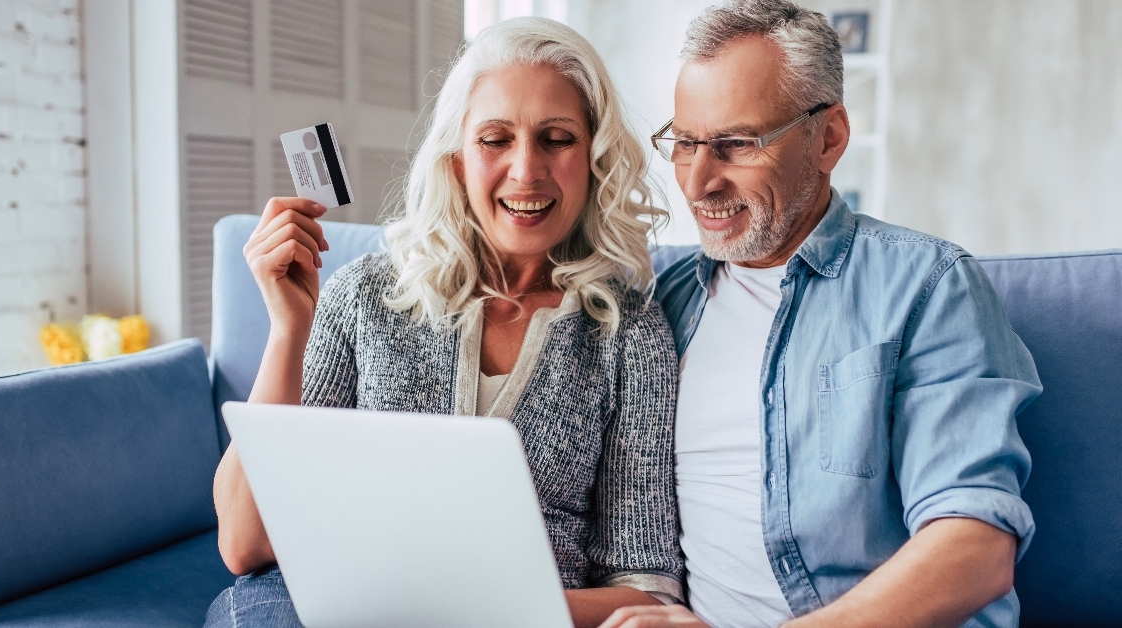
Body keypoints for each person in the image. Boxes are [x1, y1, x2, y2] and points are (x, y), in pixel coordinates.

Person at [206, 17, 684, 628]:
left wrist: (482, 611)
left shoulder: (628, 333)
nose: (526, 169)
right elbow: (245, 544)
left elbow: (645, 592)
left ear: (592, 158)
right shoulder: (365, 296)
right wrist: (289, 330)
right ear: (457, 159)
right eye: (495, 139)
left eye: (557, 138)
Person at [600, 1, 1041, 627]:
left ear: (828, 138)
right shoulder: (660, 306)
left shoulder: (927, 286)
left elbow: (974, 544)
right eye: (688, 142)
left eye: (737, 144)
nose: (698, 182)